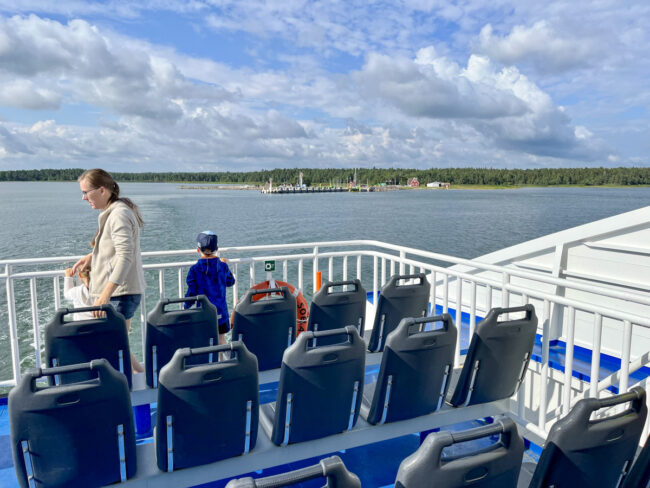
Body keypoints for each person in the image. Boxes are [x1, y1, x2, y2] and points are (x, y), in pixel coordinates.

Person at [72, 168, 146, 373]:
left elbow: (125, 255)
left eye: (86, 192)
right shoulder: (116, 211)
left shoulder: (119, 214)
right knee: (118, 344)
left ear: (102, 190)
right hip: (121, 293)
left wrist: (105, 294)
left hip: (119, 295)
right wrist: (92, 257)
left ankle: (134, 390)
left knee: (113, 348)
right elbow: (116, 250)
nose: (84, 198)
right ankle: (145, 383)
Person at [185, 231, 235, 345]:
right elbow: (230, 282)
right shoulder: (222, 266)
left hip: (203, 313)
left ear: (198, 250)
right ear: (217, 248)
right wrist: (225, 265)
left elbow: (192, 293)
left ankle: (209, 362)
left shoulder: (194, 269)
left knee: (205, 342)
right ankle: (222, 362)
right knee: (221, 339)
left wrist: (185, 307)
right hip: (221, 313)